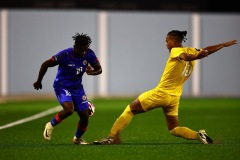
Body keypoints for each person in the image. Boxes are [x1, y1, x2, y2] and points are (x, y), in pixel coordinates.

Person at [93, 30, 237, 145]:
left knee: (130, 109)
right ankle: (198, 135)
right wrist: (222, 45)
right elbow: (204, 50)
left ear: (173, 41)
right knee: (174, 128)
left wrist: (196, 57)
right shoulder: (193, 50)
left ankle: (111, 137)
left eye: (167, 41)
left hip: (161, 94)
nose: (166, 44)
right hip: (174, 97)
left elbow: (185, 56)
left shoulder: (176, 51)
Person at [33, 33, 102, 144]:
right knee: (69, 110)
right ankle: (50, 125)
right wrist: (39, 81)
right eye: (81, 50)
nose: (83, 52)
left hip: (77, 88)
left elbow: (99, 69)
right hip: (62, 86)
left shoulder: (89, 54)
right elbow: (45, 64)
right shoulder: (64, 55)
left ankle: (77, 139)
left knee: (85, 117)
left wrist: (92, 72)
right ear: (75, 46)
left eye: (85, 49)